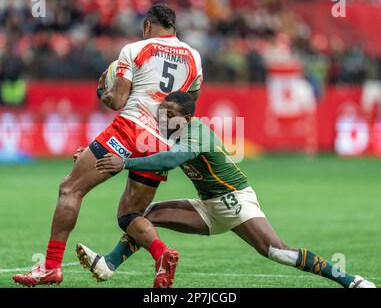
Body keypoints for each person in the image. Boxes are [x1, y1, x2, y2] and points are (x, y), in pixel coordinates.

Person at [76, 91, 375, 288]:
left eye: (169, 113)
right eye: (161, 112)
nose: (163, 118)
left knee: (276, 251)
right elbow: (142, 150)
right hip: (208, 206)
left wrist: (124, 163)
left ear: (187, 118)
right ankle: (108, 265)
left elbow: (171, 159)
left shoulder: (197, 132)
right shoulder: (170, 134)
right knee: (149, 214)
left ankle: (349, 280)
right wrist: (94, 155)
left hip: (234, 201)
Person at [13, 4, 203, 288]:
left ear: (148, 26)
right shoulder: (194, 57)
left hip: (129, 129)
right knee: (129, 214)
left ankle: (51, 267)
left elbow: (117, 101)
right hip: (162, 142)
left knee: (70, 189)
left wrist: (102, 90)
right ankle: (162, 254)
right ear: (173, 27)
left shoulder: (135, 49)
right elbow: (190, 101)